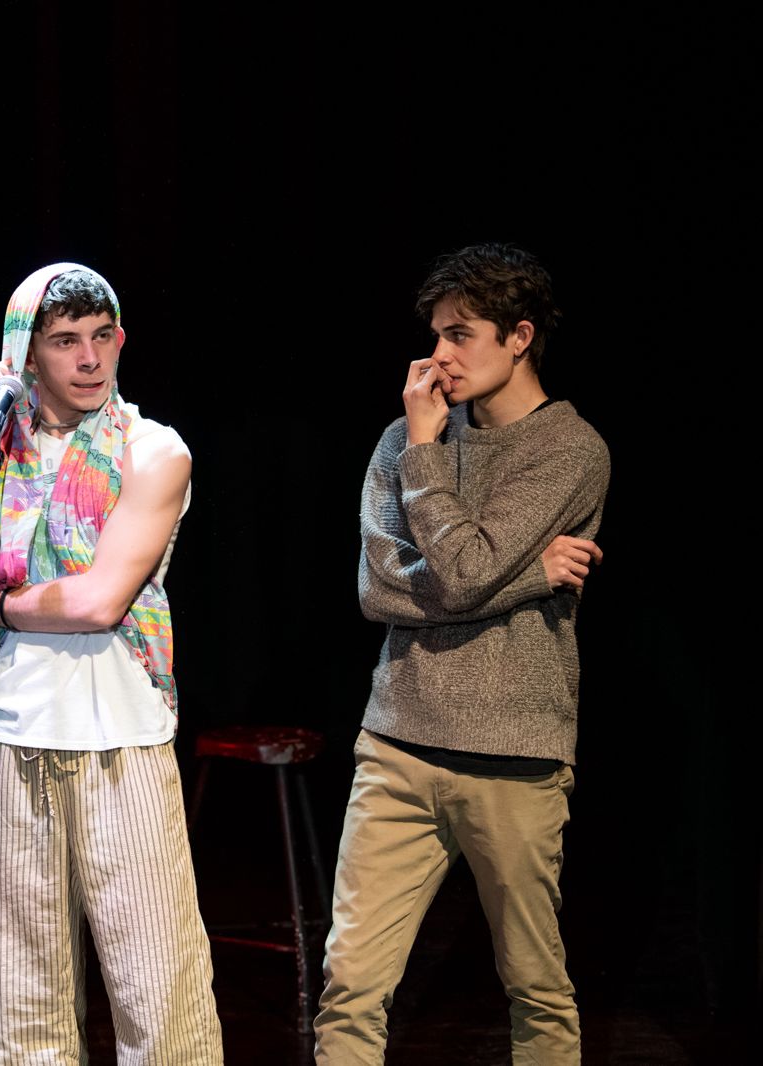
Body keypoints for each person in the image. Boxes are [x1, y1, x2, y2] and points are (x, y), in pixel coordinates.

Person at [313, 243, 610, 1064]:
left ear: (519, 337)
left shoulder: (570, 450)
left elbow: (464, 570)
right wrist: (530, 576)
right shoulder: (403, 440)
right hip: (398, 744)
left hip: (514, 757)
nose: (439, 355)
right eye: (436, 334)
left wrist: (478, 562)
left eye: (460, 334)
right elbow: (379, 591)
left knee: (535, 988)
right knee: (350, 986)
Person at [0, 264, 223, 1063]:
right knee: (26, 1004)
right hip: (13, 739)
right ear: (26, 355)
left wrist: (2, 610)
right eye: (65, 341)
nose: (90, 358)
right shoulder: (3, 452)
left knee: (157, 996)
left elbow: (99, 602)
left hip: (120, 741)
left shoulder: (152, 449)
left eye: (102, 337)